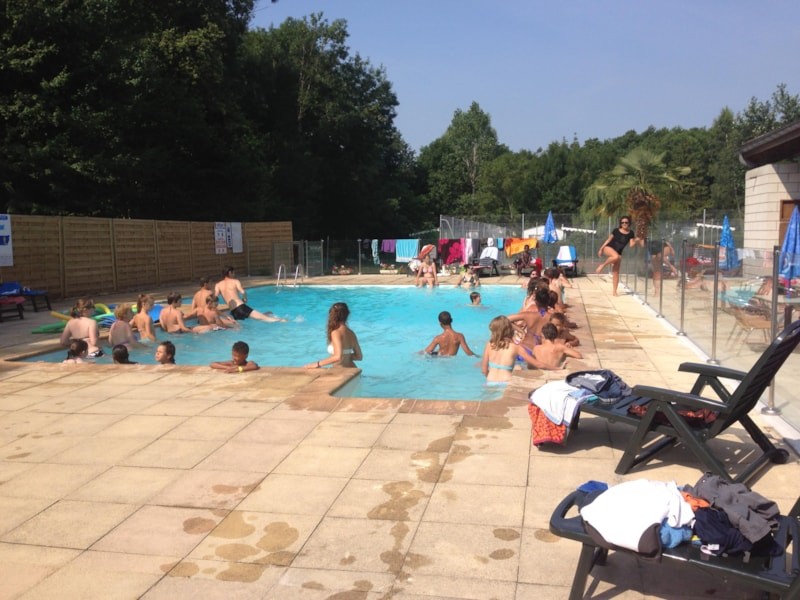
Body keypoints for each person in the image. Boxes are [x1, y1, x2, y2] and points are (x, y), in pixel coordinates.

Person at [480, 316, 542, 383]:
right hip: (506, 381)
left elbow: (484, 370)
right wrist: (551, 367)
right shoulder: (516, 347)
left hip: (490, 381)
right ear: (509, 330)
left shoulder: (489, 345)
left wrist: (491, 378)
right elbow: (537, 364)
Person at [215, 266, 286, 322]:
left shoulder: (218, 285)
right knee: (265, 319)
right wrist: (244, 299)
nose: (234, 275)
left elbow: (215, 298)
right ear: (230, 272)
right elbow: (243, 292)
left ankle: (265, 314)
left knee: (253, 318)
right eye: (233, 273)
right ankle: (282, 320)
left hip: (233, 312)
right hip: (240, 307)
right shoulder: (235, 281)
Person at [304, 302, 363, 369]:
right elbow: (359, 357)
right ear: (347, 315)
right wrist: (346, 356)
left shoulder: (336, 333)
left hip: (341, 371)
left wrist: (317, 364)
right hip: (353, 370)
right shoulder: (351, 333)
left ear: (332, 316)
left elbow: (337, 357)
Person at [596, 216, 641, 295]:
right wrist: (601, 249)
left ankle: (614, 291)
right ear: (620, 223)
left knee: (616, 272)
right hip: (608, 248)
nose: (624, 224)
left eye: (626, 222)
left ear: (629, 223)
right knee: (616, 256)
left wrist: (637, 240)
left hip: (618, 252)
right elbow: (608, 240)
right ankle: (602, 265)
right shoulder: (616, 230)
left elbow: (631, 245)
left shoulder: (631, 233)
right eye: (622, 222)